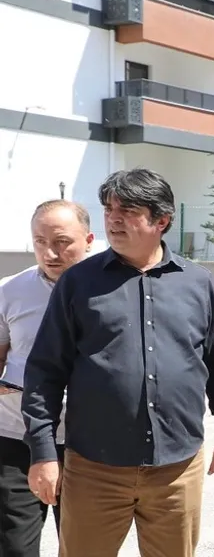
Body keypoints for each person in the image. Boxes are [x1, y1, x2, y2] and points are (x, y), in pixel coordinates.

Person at [22, 168, 214, 557]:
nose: (113, 219)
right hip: (94, 469)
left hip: (177, 469)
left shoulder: (198, 283)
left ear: (162, 220)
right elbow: (44, 373)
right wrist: (43, 452)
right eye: (109, 209)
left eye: (128, 210)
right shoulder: (78, 283)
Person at [0, 200, 94, 555]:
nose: (50, 253)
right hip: (16, 438)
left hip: (86, 442)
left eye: (61, 242)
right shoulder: (10, 290)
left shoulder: (112, 290)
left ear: (88, 239)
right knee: (15, 546)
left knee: (83, 545)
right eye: (40, 242)